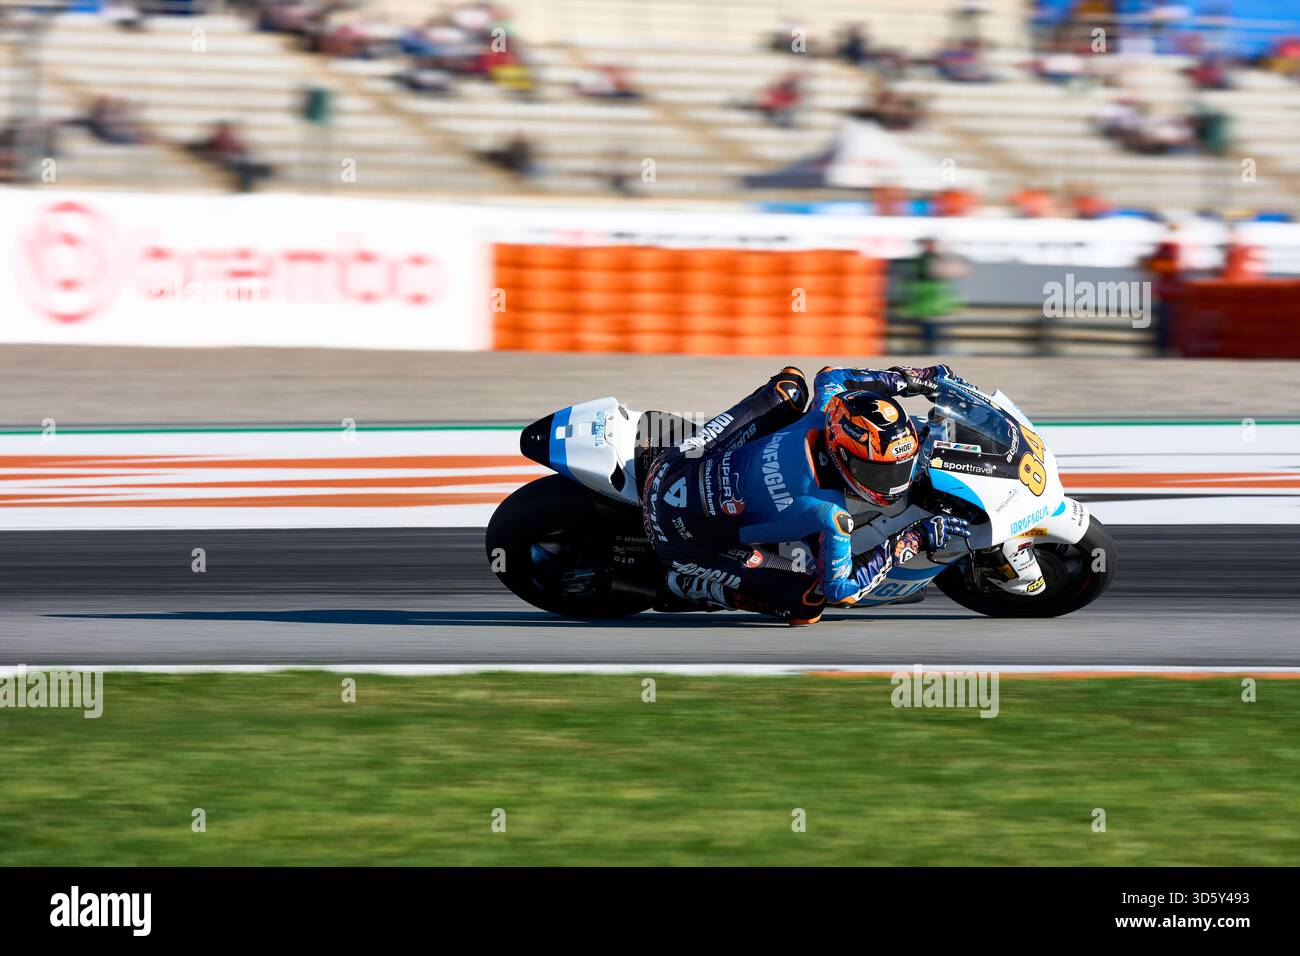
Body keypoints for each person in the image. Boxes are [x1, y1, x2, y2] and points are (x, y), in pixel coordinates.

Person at [641, 365, 971, 625]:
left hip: (672, 466)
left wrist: (911, 380)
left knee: (790, 387)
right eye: (879, 472)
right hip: (681, 544)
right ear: (843, 455)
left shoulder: (824, 411)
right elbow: (842, 592)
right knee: (808, 603)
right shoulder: (831, 515)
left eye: (899, 467)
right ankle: (688, 586)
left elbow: (832, 375)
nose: (894, 483)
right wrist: (908, 542)